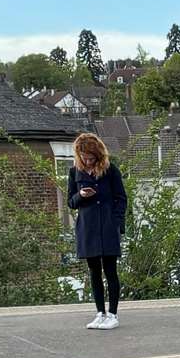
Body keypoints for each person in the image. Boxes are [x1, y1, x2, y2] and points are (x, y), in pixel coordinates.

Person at [68, 132, 128, 329]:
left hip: (108, 225)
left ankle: (113, 314)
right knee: (94, 272)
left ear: (98, 155)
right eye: (84, 156)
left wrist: (117, 223)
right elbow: (71, 202)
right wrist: (81, 195)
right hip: (88, 227)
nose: (87, 160)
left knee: (110, 271)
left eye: (91, 157)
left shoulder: (111, 171)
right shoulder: (74, 172)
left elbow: (121, 198)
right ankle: (100, 313)